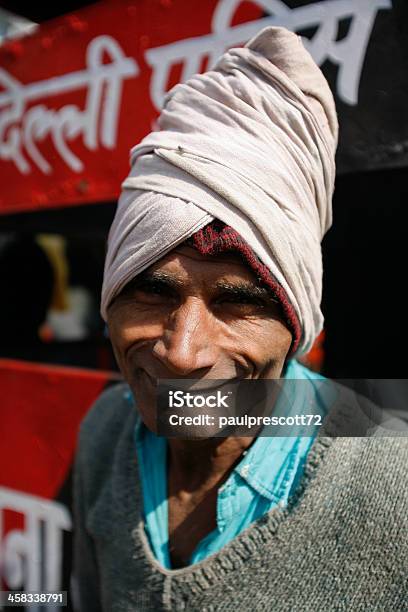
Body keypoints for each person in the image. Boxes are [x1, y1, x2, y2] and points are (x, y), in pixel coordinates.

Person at [72, 27, 407, 611]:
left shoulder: (393, 483)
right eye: (151, 292)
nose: (182, 353)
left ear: (296, 322)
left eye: (239, 302)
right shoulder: (104, 431)